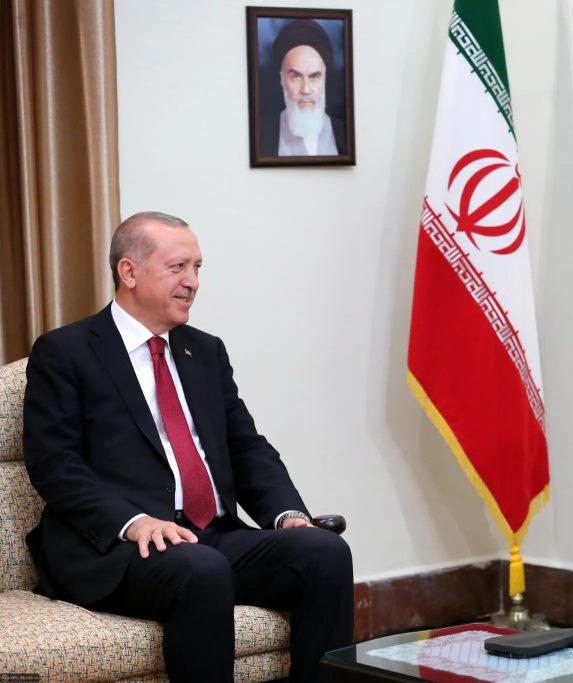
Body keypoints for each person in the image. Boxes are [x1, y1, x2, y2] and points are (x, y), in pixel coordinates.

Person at [23, 212, 353, 683]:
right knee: (200, 569)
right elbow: (55, 465)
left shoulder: (205, 351)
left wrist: (287, 516)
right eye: (178, 267)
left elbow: (246, 447)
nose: (192, 282)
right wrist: (134, 523)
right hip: (119, 547)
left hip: (209, 536)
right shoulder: (66, 351)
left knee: (323, 553)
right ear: (129, 272)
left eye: (198, 268)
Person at [259, 19, 346, 157]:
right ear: (281, 79)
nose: (305, 90)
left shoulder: (345, 134)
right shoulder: (260, 135)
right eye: (296, 76)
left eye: (314, 76)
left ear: (324, 79)